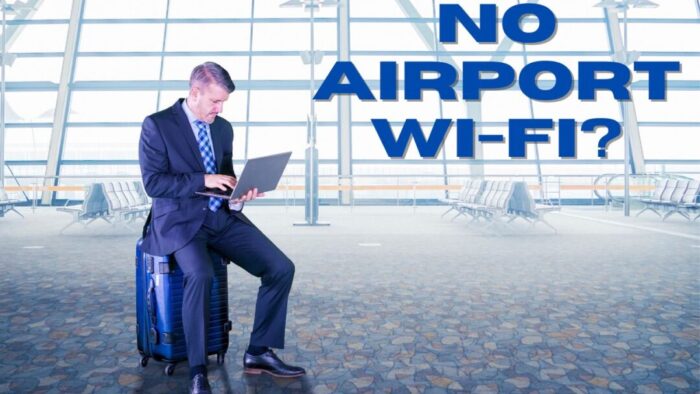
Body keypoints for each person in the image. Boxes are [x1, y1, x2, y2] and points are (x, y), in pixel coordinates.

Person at [139, 62, 305, 394]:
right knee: (200, 276)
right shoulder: (157, 125)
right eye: (215, 101)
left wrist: (240, 195)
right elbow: (154, 183)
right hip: (181, 223)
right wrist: (203, 179)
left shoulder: (222, 128)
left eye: (223, 103)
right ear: (194, 93)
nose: (220, 108)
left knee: (280, 267)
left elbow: (225, 177)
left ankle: (258, 352)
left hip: (221, 218)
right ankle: (198, 370)